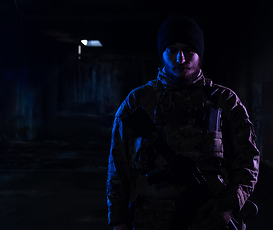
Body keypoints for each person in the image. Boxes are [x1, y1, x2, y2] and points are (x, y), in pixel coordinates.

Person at [107, 16, 260, 230]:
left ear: (200, 55)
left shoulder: (224, 101)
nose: (180, 58)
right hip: (148, 220)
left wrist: (229, 205)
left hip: (208, 219)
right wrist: (119, 221)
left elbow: (248, 160)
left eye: (189, 49)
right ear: (162, 54)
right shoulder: (137, 102)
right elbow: (118, 167)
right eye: (171, 49)